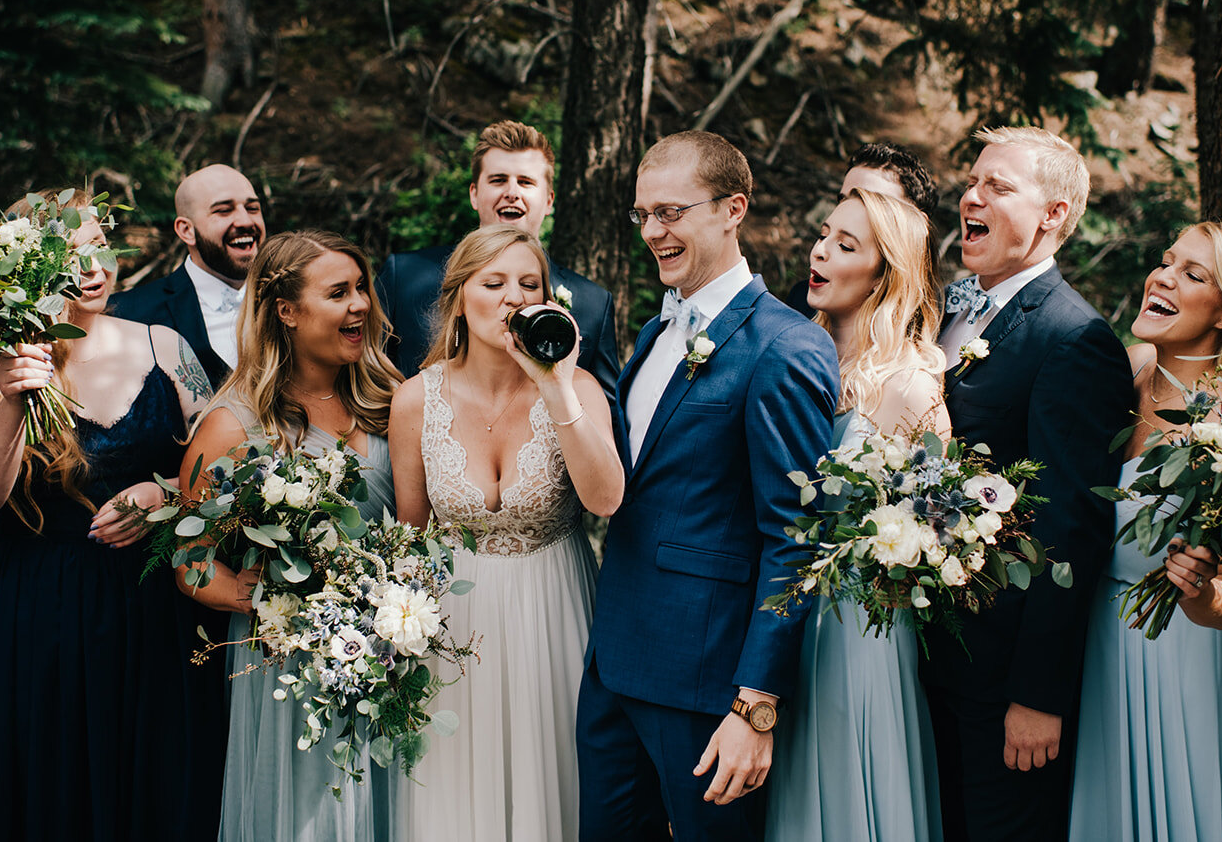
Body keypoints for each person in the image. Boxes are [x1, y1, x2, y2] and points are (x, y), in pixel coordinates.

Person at [0, 191, 225, 842]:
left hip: (148, 610)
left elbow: (226, 469)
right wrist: (12, 398)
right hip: (27, 611)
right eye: (66, 250)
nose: (92, 265)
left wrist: (167, 495)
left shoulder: (166, 347)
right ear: (24, 265)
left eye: (100, 246)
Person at [577, 130, 840, 841]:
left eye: (671, 212)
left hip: (707, 683)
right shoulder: (653, 332)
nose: (653, 232)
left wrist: (755, 706)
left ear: (733, 209)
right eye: (643, 215)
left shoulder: (786, 346)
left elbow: (798, 539)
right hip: (615, 665)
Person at [923, 126, 1131, 842]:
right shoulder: (942, 310)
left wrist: (1037, 696)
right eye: (972, 182)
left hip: (999, 677)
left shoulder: (1075, 340)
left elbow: (1070, 528)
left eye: (998, 187)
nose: (971, 197)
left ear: (1054, 215)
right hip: (922, 651)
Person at [389, 224, 622, 841]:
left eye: (529, 284)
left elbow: (606, 498)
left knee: (562, 783)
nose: (513, 298)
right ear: (459, 298)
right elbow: (410, 538)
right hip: (455, 627)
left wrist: (555, 385)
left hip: (556, 608)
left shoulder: (579, 389)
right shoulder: (416, 400)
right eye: (493, 283)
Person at [1068, 221, 1222, 842]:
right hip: (1103, 638)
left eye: (1193, 275)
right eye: (1167, 262)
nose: (1162, 277)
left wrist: (1203, 594)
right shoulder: (1130, 370)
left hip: (1188, 654)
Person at [175, 230, 401, 842]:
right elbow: (189, 559)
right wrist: (256, 599)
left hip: (391, 650)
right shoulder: (234, 423)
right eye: (338, 293)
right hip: (290, 663)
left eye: (362, 289)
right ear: (287, 311)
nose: (360, 305)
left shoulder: (392, 401)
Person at [767, 188, 947, 842]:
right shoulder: (788, 355)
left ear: (885, 273)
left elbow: (942, 523)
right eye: (824, 235)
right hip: (778, 608)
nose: (820, 251)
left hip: (858, 626)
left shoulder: (909, 386)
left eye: (846, 245)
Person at [375, 120, 619, 404]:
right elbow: (364, 375)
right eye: (498, 180)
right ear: (474, 195)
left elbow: (607, 420)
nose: (512, 192)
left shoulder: (593, 304)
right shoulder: (403, 277)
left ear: (549, 200)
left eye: (526, 182)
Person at [111, 163, 266, 389]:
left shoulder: (294, 298)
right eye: (223, 210)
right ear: (186, 230)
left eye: (252, 208)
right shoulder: (126, 315)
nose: (245, 221)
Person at [786, 141, 939, 316]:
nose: (850, 209)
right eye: (844, 199)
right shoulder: (801, 301)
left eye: (869, 203)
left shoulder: (932, 329)